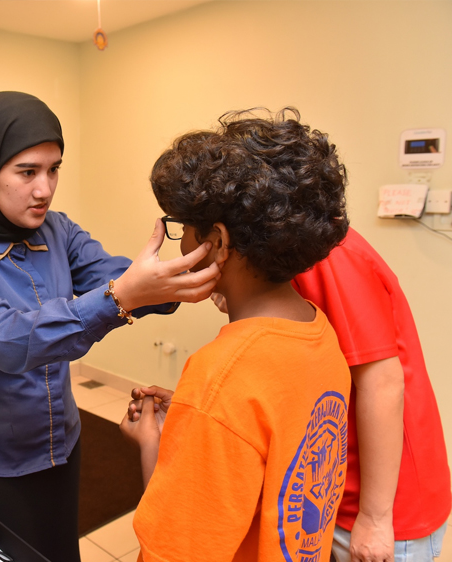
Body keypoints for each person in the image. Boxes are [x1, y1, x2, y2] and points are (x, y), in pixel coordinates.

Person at [0, 91, 221, 562]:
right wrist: (123, 296)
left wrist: (198, 267)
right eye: (27, 171)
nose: (44, 189)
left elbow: (112, 277)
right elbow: (4, 339)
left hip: (59, 441)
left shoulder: (56, 229)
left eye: (54, 169)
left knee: (60, 553)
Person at [120, 108, 352, 561]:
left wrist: (155, 443)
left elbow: (179, 550)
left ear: (220, 243)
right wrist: (198, 420)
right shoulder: (318, 333)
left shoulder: (220, 376)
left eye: (184, 229)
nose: (182, 243)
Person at [290, 228, 451, 562]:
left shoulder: (332, 255)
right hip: (329, 486)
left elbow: (382, 385)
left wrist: (375, 519)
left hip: (378, 502)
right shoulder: (294, 253)